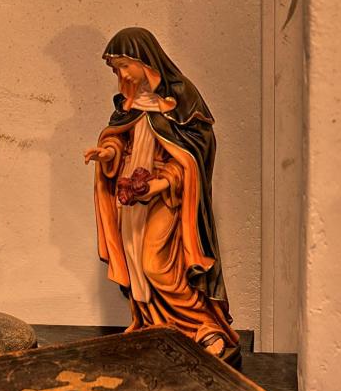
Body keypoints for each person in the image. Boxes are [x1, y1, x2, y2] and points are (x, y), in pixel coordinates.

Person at [83, 27, 240, 365]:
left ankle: (204, 328)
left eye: (124, 65)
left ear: (144, 60)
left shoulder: (181, 100)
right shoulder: (129, 104)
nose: (121, 75)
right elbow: (121, 140)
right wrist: (108, 154)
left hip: (167, 197)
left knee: (158, 265)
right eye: (115, 70)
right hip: (131, 198)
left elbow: (193, 154)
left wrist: (160, 182)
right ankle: (157, 326)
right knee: (137, 262)